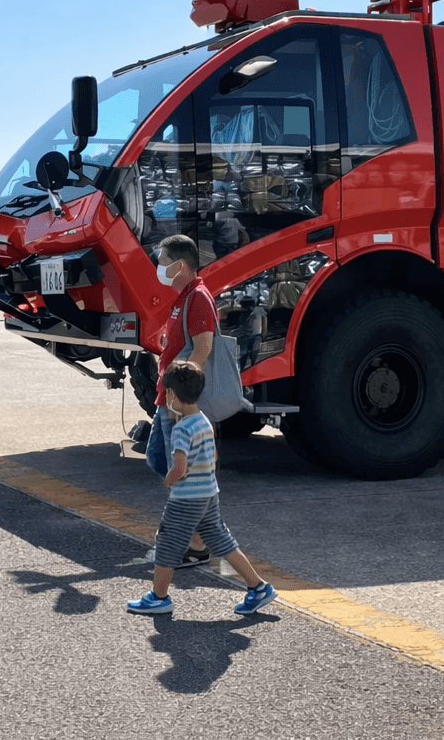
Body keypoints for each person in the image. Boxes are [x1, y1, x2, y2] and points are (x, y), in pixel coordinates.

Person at [127, 362, 276, 616]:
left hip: (186, 498)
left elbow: (180, 467)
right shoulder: (204, 421)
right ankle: (258, 587)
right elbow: (214, 455)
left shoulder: (181, 428)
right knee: (221, 541)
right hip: (208, 493)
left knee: (167, 543)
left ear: (173, 395)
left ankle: (159, 597)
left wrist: (170, 479)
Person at [143, 234, 218, 568]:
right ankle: (197, 529)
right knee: (158, 458)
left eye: (162, 261)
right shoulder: (182, 298)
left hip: (177, 401)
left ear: (181, 265)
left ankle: (196, 543)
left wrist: (183, 403)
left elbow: (203, 350)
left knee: (178, 469)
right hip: (167, 396)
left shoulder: (198, 298)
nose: (159, 267)